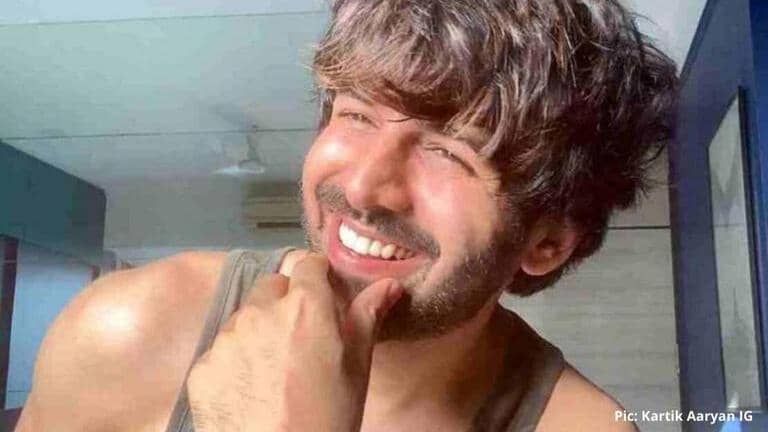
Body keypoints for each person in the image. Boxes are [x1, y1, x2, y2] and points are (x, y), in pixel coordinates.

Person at [15, 0, 677, 431]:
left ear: (547, 242)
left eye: (450, 152)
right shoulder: (128, 330)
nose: (362, 188)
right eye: (356, 113)